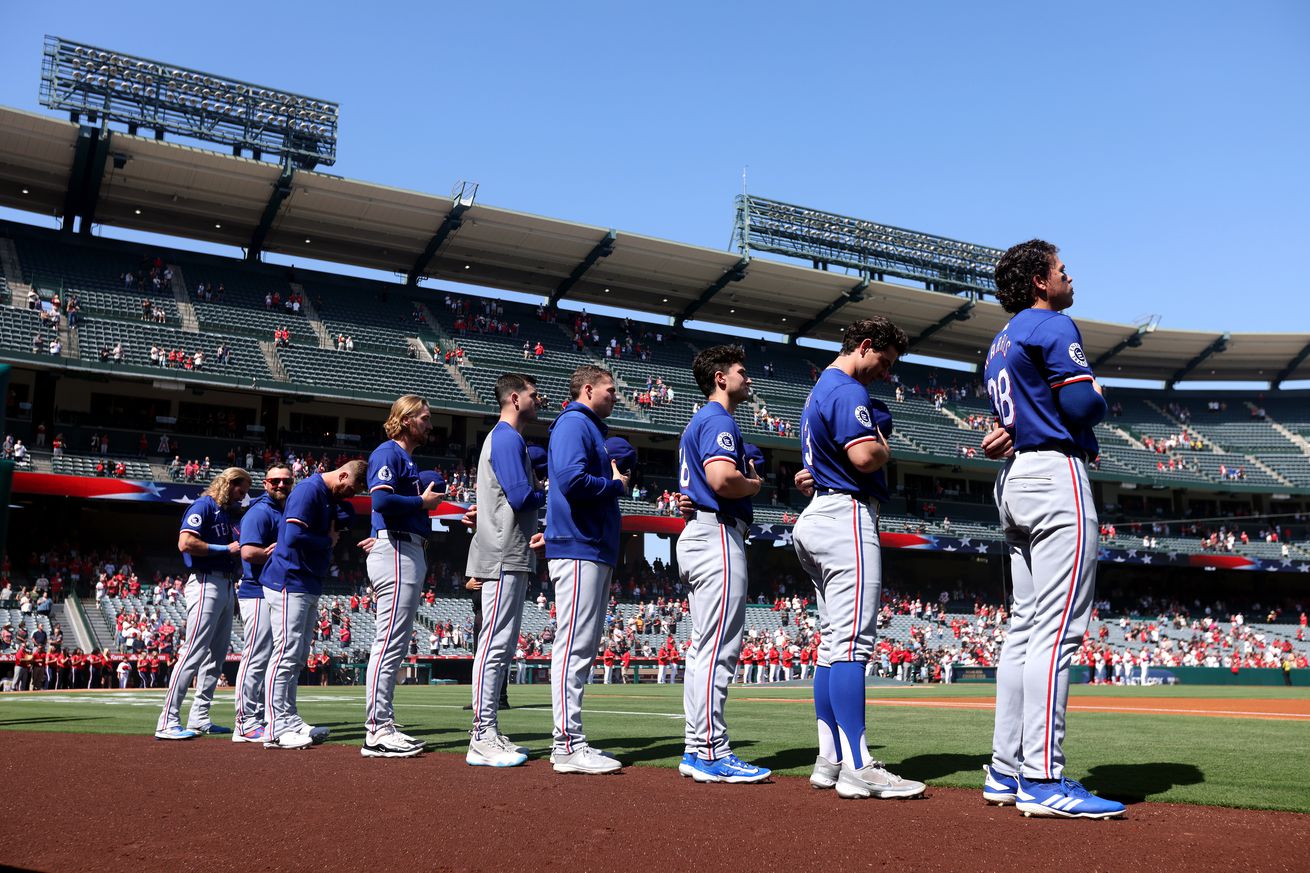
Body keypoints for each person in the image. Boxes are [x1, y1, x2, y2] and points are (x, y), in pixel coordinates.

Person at [980, 240, 1124, 819]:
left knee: (1022, 630)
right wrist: (1099, 394)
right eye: (1062, 269)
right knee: (1055, 634)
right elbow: (1084, 407)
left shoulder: (999, 340)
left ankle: (1005, 767)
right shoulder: (1053, 323)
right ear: (1041, 281)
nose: (1070, 276)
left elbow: (1019, 411)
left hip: (1016, 479)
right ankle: (1042, 778)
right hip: (1053, 474)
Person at [793, 317, 925, 801]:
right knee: (852, 645)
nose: (883, 373)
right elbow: (867, 455)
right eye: (883, 361)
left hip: (817, 514)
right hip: (844, 516)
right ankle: (858, 766)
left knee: (832, 645)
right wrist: (886, 445)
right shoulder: (847, 388)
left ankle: (828, 759)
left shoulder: (818, 390)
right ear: (865, 346)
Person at [674, 344, 770, 784]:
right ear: (720, 378)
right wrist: (752, 483)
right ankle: (711, 751)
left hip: (699, 531)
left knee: (702, 648)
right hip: (715, 532)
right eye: (740, 371)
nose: (746, 378)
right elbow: (721, 479)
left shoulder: (701, 420)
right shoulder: (717, 418)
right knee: (717, 649)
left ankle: (698, 747)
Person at [545, 365, 628, 775]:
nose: (615, 396)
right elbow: (571, 480)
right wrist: (614, 485)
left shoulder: (589, 426)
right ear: (588, 388)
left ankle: (569, 740)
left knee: (581, 647)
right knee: (574, 646)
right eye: (610, 390)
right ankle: (567, 743)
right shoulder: (575, 422)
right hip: (579, 546)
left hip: (590, 547)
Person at [465, 374, 545, 768]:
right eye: (533, 394)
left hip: (506, 552)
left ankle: (488, 729)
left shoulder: (508, 439)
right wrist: (555, 490)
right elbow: (521, 496)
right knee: (494, 645)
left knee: (499, 645)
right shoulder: (508, 438)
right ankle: (482, 733)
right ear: (515, 398)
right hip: (502, 554)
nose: (539, 399)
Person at [262, 460, 366, 750]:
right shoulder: (309, 490)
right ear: (343, 475)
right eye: (354, 486)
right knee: (285, 654)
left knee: (296, 656)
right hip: (288, 579)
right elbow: (293, 536)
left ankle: (289, 719)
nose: (353, 493)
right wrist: (327, 539)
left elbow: (346, 516)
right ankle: (275, 726)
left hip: (305, 581)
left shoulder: (326, 495)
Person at [361, 395, 443, 757]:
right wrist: (421, 504)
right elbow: (379, 501)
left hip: (406, 548)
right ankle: (377, 730)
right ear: (406, 419)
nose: (429, 424)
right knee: (389, 641)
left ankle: (383, 725)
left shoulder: (406, 458)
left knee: (394, 641)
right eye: (424, 418)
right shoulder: (388, 453)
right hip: (394, 549)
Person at [154, 468, 251, 740]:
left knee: (216, 655)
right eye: (240, 490)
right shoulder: (204, 505)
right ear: (228, 484)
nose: (241, 496)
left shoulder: (226, 513)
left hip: (225, 582)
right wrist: (224, 549)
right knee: (193, 650)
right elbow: (185, 543)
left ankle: (199, 717)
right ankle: (167, 720)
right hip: (206, 580)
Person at [231, 464, 293, 743]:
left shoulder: (282, 510)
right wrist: (275, 554)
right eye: (275, 481)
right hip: (256, 591)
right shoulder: (259, 511)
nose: (281, 485)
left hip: (273, 590)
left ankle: (266, 717)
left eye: (286, 481)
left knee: (267, 656)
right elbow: (247, 552)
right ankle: (244, 723)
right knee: (256, 656)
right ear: (265, 483)